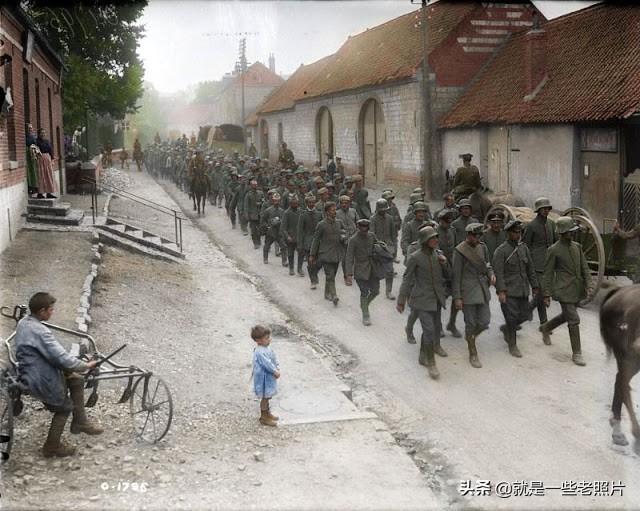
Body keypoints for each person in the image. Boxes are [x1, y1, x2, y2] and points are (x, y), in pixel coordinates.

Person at [15, 293, 103, 458]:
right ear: (42, 311)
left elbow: (56, 356)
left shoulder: (24, 322)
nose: (52, 312)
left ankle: (80, 421)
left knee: (76, 379)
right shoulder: (41, 331)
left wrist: (75, 368)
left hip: (29, 369)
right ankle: (52, 446)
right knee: (65, 407)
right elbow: (62, 358)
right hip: (39, 377)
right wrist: (86, 365)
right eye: (51, 310)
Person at [397, 226, 449, 380]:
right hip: (421, 299)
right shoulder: (415, 257)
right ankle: (431, 363)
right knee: (429, 331)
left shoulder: (438, 255)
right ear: (425, 241)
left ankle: (422, 355)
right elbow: (406, 279)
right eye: (432, 238)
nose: (436, 240)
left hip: (436, 299)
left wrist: (444, 263)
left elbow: (448, 275)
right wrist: (401, 300)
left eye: (436, 238)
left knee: (433, 328)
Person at [540, 216, 593, 366]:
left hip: (576, 289)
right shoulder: (554, 250)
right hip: (563, 290)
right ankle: (577, 353)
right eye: (570, 232)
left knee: (566, 316)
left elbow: (585, 268)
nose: (573, 234)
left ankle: (546, 328)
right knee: (574, 319)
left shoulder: (577, 247)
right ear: (563, 233)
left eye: (573, 231)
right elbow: (548, 273)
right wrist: (546, 294)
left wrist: (589, 284)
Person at [492, 220, 538, 358]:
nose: (517, 235)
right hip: (509, 290)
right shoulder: (501, 251)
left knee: (526, 315)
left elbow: (530, 269)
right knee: (512, 318)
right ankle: (513, 345)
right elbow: (498, 273)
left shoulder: (524, 248)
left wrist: (534, 286)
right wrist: (501, 291)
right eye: (514, 232)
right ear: (508, 233)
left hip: (523, 289)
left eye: (519, 232)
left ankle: (507, 329)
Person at [452, 223, 495, 368]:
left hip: (482, 289)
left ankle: (470, 337)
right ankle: (473, 352)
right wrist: (457, 297)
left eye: (479, 235)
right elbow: (456, 276)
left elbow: (487, 265)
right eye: (475, 235)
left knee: (484, 321)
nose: (477, 238)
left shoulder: (482, 247)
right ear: (468, 235)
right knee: (470, 323)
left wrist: (491, 274)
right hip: (468, 291)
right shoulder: (460, 251)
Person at [523, 197, 557, 336]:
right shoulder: (531, 226)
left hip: (549, 263)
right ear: (538, 210)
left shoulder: (551, 224)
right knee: (541, 293)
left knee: (543, 293)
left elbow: (555, 242)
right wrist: (528, 263)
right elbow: (526, 245)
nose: (546, 211)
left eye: (547, 208)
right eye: (543, 209)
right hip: (536, 264)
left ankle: (527, 311)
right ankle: (544, 323)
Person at [345, 219, 380, 326]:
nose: (364, 229)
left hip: (373, 268)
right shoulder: (353, 240)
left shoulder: (372, 236)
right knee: (364, 292)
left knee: (375, 291)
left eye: (366, 227)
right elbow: (349, 257)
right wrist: (349, 274)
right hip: (360, 269)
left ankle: (364, 304)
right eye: (362, 227)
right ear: (358, 227)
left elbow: (378, 247)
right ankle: (366, 314)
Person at [309, 202, 345, 306]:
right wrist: (312, 254)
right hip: (325, 254)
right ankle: (334, 295)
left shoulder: (339, 223)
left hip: (337, 253)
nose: (335, 212)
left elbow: (344, 233)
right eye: (332, 210)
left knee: (332, 275)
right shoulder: (321, 224)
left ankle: (326, 293)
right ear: (327, 212)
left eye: (335, 210)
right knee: (329, 275)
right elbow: (316, 240)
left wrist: (344, 237)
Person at [251, 325, 280, 427]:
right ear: (258, 340)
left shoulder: (266, 349)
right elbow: (267, 364)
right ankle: (264, 417)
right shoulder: (259, 352)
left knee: (268, 396)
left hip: (268, 378)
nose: (269, 340)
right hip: (264, 379)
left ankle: (267, 413)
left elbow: (273, 358)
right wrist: (274, 371)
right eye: (266, 338)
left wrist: (277, 367)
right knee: (265, 397)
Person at [371, 198, 398, 300]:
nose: (383, 211)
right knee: (374, 272)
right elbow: (372, 234)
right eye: (381, 210)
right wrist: (377, 244)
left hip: (388, 248)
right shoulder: (373, 219)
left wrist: (394, 249)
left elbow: (393, 235)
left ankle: (388, 291)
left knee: (390, 271)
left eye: (385, 210)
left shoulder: (390, 218)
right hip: (377, 248)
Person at [297, 194, 323, 284]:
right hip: (307, 243)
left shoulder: (319, 214)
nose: (311, 204)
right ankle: (313, 280)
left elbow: (322, 228)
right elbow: (300, 231)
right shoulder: (303, 215)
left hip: (318, 242)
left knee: (319, 262)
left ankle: (314, 274)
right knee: (310, 262)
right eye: (309, 202)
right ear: (306, 203)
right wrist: (300, 244)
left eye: (313, 202)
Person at [281, 195, 302, 276]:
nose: (295, 205)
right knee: (290, 254)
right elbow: (283, 228)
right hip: (290, 237)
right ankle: (291, 268)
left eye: (296, 203)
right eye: (293, 203)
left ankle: (299, 269)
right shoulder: (286, 213)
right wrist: (287, 236)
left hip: (299, 237)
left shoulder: (300, 211)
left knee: (300, 253)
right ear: (290, 204)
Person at [35, 128, 57, 199]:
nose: (43, 134)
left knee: (49, 175)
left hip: (48, 159)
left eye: (44, 133)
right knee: (42, 176)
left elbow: (50, 150)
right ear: (39, 134)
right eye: (41, 133)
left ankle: (49, 193)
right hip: (41, 159)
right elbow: (35, 151)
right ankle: (40, 193)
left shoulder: (47, 141)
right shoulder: (36, 142)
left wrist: (52, 159)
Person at [244, 179, 264, 249]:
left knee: (259, 230)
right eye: (253, 185)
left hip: (259, 214)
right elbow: (246, 206)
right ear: (251, 186)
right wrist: (246, 215)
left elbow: (264, 202)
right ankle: (255, 243)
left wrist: (260, 203)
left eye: (256, 185)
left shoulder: (260, 193)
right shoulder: (248, 195)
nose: (255, 186)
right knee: (253, 231)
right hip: (252, 215)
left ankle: (258, 241)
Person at [25, 123, 39, 195]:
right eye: (29, 128)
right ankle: (30, 187)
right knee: (28, 171)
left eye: (31, 128)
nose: (30, 129)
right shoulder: (24, 137)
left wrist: (33, 148)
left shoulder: (34, 137)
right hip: (27, 155)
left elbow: (37, 146)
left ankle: (35, 187)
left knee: (34, 170)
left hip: (33, 155)